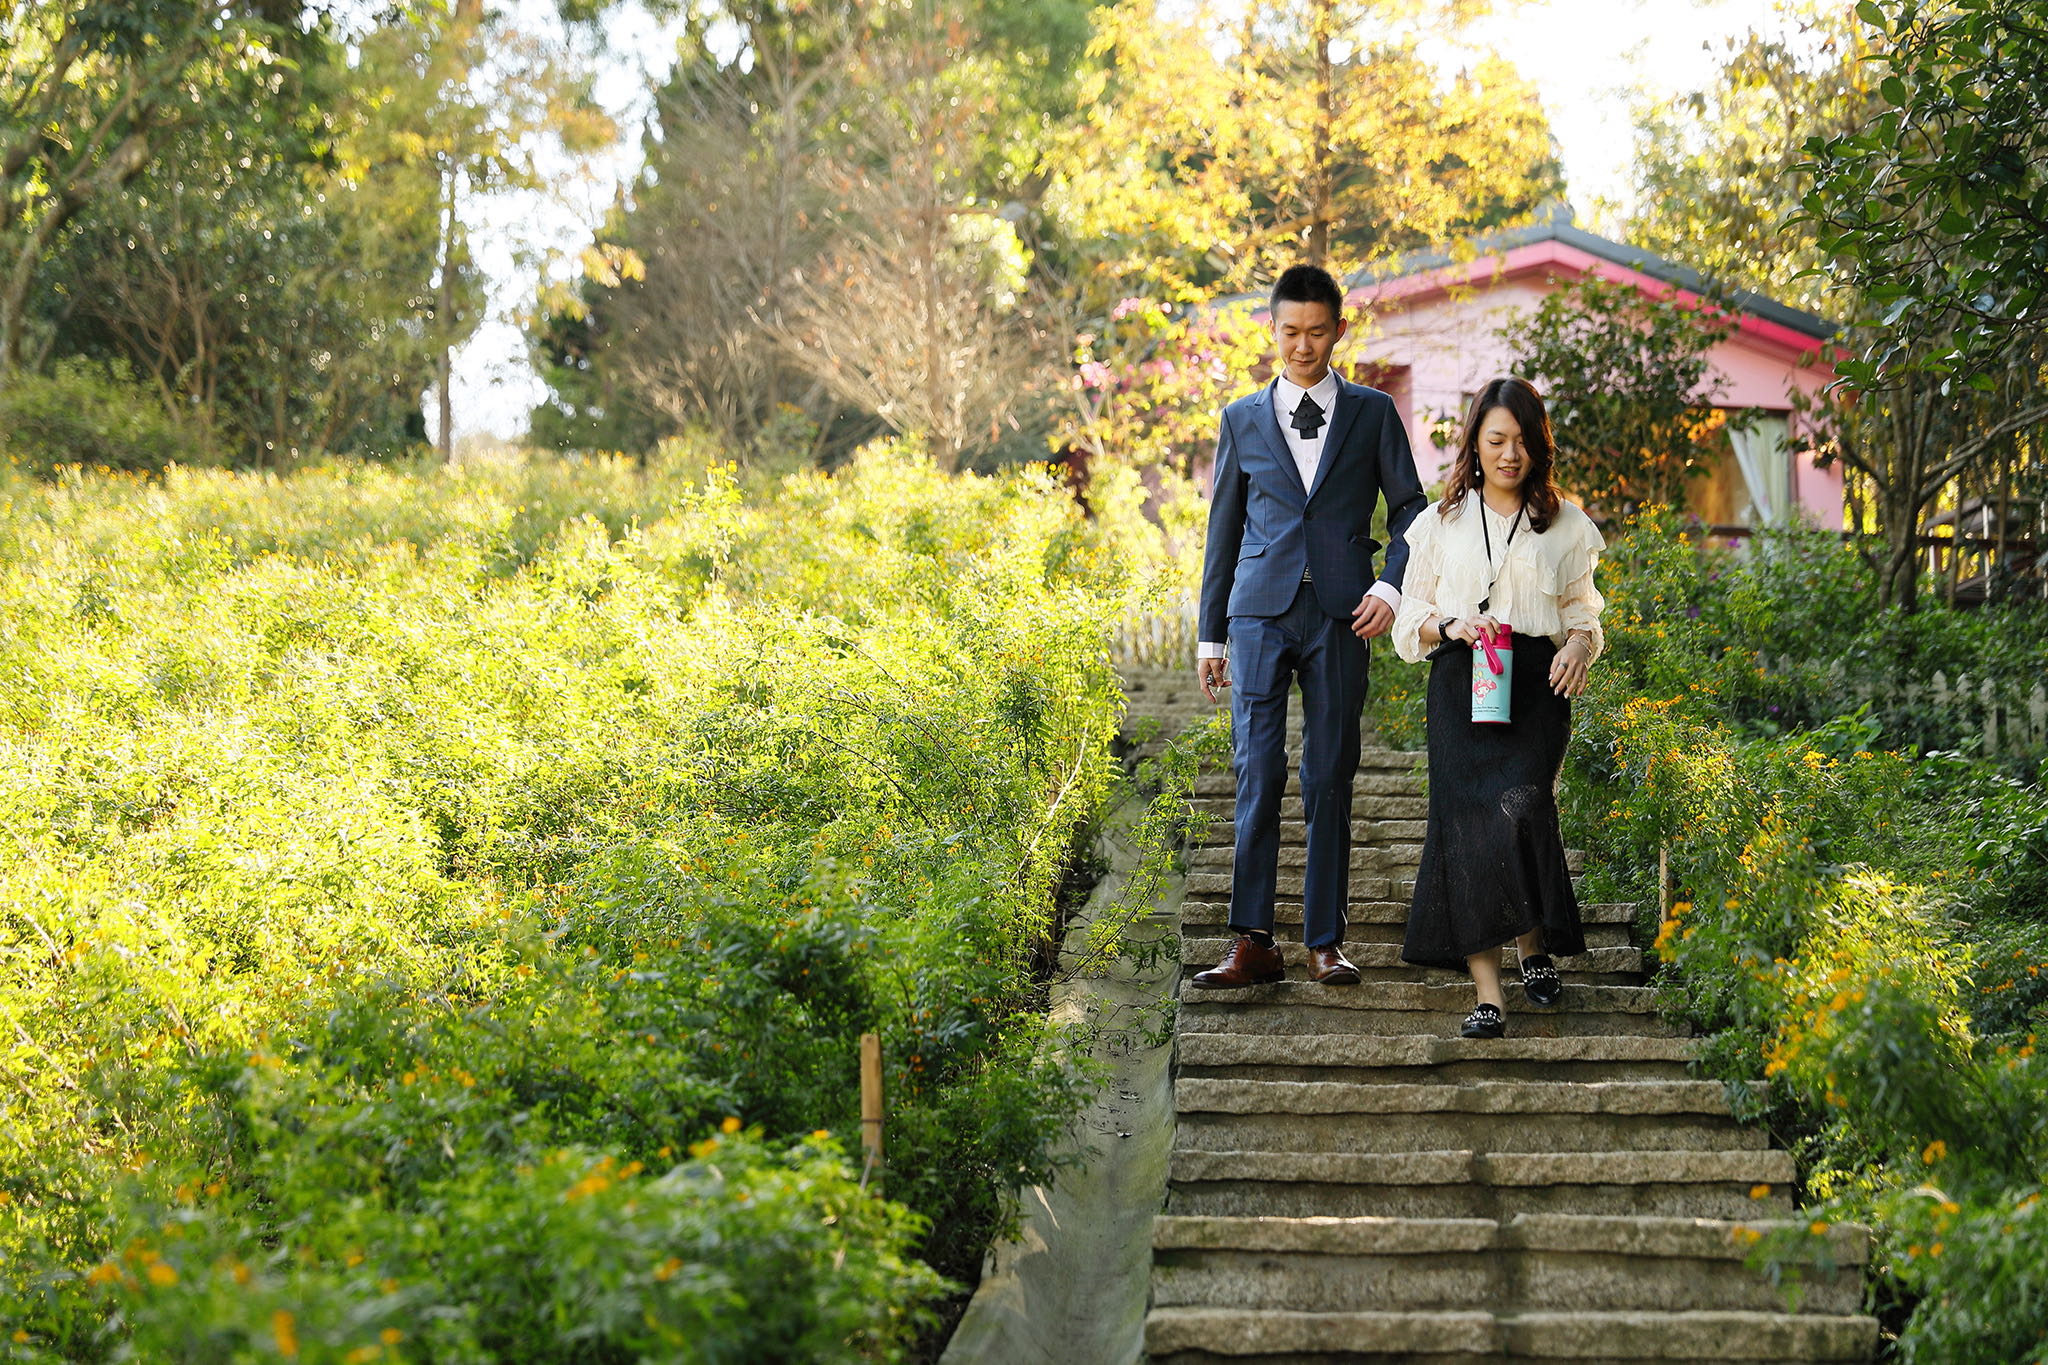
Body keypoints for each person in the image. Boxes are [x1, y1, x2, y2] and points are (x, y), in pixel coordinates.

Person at [1191, 264, 1428, 988]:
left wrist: (1391, 584)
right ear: (1272, 329)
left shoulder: (1373, 413)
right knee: (1257, 771)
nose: (1302, 346)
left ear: (1339, 331)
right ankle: (1252, 941)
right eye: (1290, 331)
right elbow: (1223, 530)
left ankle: (1325, 940)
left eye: (1317, 332)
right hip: (1258, 614)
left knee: (1329, 775)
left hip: (1343, 612)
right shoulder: (1240, 418)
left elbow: (1412, 510)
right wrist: (1210, 635)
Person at [1391, 376, 1606, 1038]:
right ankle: (1489, 993)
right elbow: (1409, 620)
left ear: (1539, 446)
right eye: (1496, 440)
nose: (1509, 454)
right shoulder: (1440, 523)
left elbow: (1583, 613)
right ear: (1475, 445)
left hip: (1537, 684)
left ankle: (1533, 946)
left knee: (1523, 810)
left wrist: (1580, 646)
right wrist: (1450, 625)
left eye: (1521, 441)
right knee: (1466, 827)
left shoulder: (1567, 524)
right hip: (1463, 678)